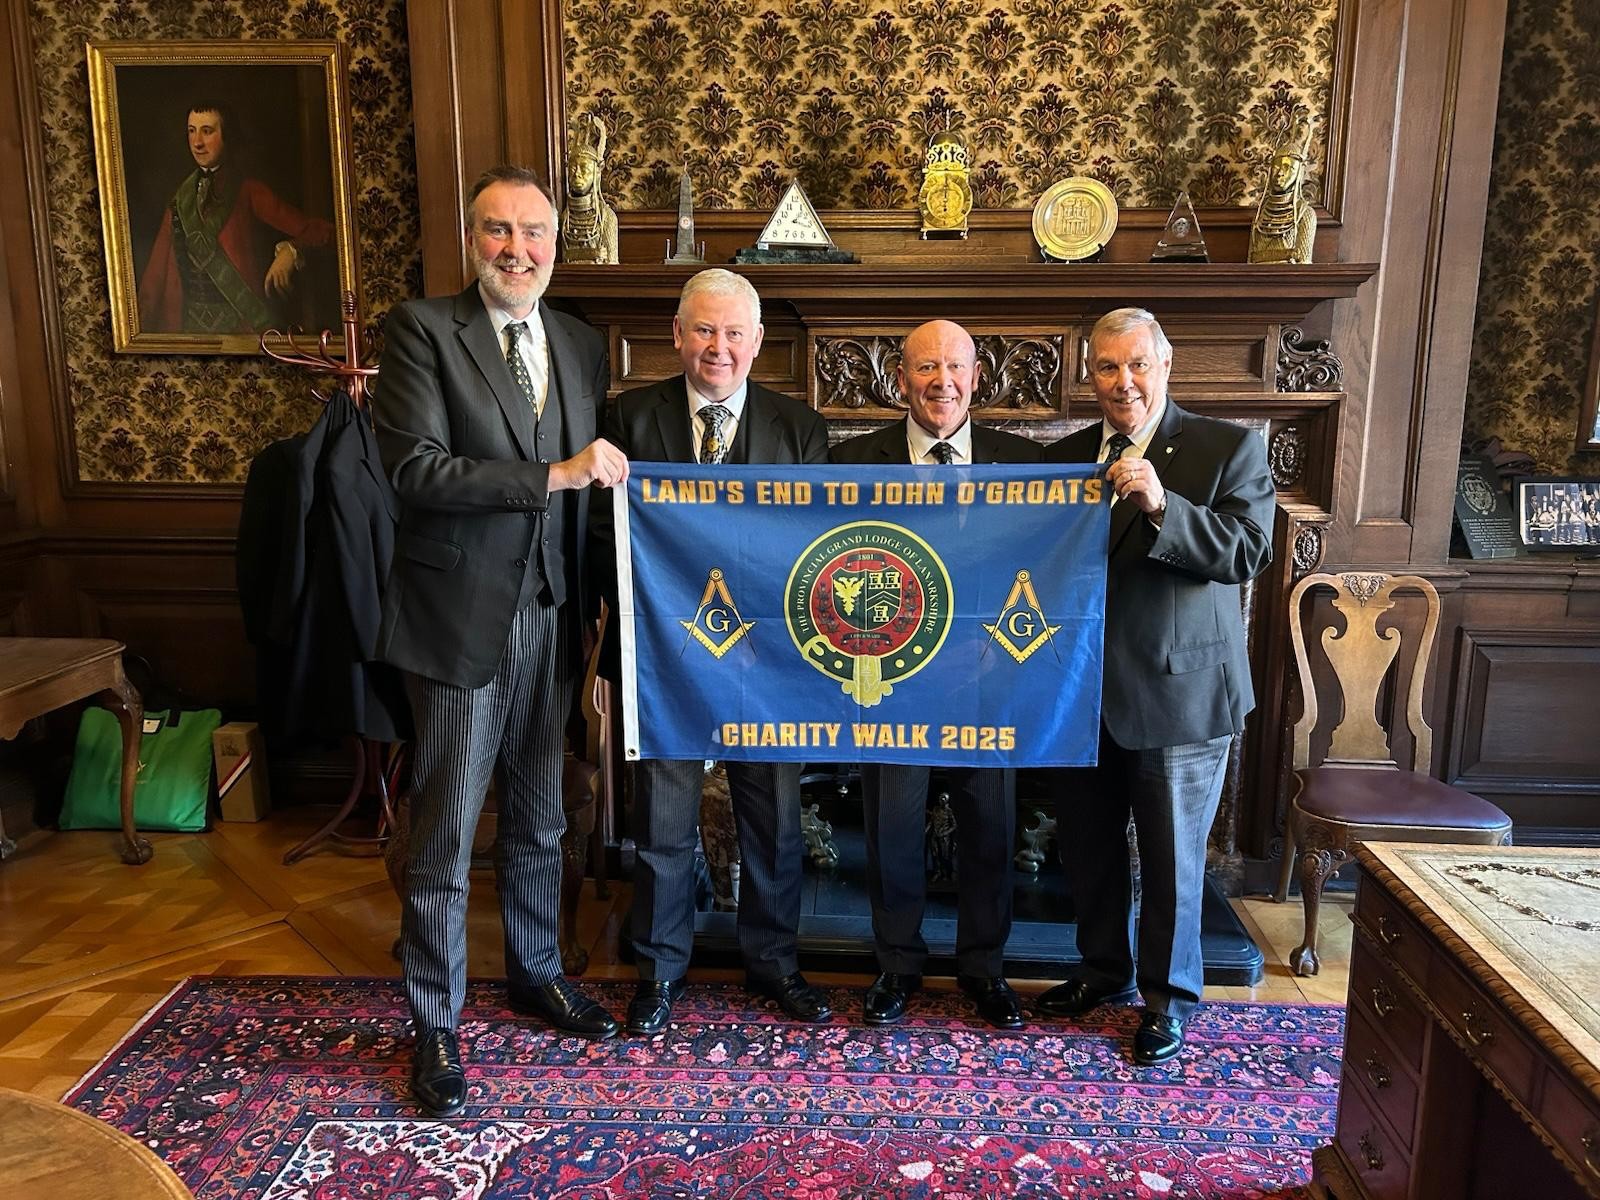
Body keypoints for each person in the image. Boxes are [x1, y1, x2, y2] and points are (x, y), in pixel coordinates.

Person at [373, 164, 630, 1117]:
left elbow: (596, 493)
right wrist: (553, 474)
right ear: (469, 238)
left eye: (535, 233)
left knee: (542, 812)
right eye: (498, 231)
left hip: (553, 617)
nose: (517, 249)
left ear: (556, 245)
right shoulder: (421, 331)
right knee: (443, 831)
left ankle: (536, 970)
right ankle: (434, 1023)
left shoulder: (577, 341)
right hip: (456, 621)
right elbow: (417, 471)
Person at [596, 268, 833, 1033]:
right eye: (703, 330)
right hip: (665, 659)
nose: (718, 347)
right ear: (676, 335)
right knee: (663, 819)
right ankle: (659, 969)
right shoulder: (627, 419)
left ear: (758, 342)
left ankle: (774, 962)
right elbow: (601, 538)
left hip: (770, 668)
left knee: (775, 822)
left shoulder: (801, 431)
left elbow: (815, 552)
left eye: (734, 333)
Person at [1037, 307, 1274, 1065]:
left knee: (1171, 860)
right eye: (1108, 368)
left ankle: (1168, 1001)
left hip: (1181, 695)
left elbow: (1249, 551)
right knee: (1089, 849)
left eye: (1138, 365)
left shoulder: (1226, 447)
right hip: (1080, 696)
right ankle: (1103, 971)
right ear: (1090, 377)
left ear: (1165, 367)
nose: (1124, 383)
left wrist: (1164, 504)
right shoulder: (1068, 455)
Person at [830, 319, 1041, 1030]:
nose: (941, 382)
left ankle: (984, 967)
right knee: (891, 828)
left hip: (990, 680)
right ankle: (898, 966)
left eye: (954, 368)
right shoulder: (850, 463)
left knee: (990, 826)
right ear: (901, 379)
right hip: (890, 681)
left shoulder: (1027, 464)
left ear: (978, 378)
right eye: (925, 368)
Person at [137, 101, 335, 333]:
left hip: (242, 331)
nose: (197, 142)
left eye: (207, 131)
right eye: (192, 131)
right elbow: (154, 281)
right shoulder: (178, 202)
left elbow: (323, 232)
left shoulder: (249, 191)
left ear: (227, 136)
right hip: (188, 335)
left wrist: (292, 250)